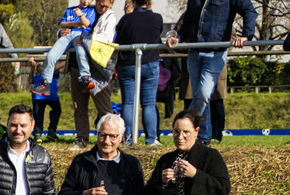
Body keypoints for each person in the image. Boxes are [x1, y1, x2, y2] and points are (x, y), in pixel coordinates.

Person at [167, 0, 255, 144]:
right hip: (194, 52)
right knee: (201, 98)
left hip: (215, 53)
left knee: (203, 94)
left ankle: (184, 124)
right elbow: (188, 19)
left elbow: (249, 10)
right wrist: (178, 37)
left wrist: (246, 35)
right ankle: (203, 138)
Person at [68, 0, 117, 150]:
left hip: (96, 70)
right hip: (77, 67)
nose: (102, 8)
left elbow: (106, 38)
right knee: (79, 106)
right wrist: (63, 32)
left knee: (104, 108)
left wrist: (84, 37)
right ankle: (81, 139)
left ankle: (111, 139)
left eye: (105, 6)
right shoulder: (79, 10)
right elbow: (64, 26)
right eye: (100, 4)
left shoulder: (110, 18)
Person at [115, 0, 163, 145]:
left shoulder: (125, 19)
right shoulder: (157, 18)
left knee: (128, 103)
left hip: (128, 64)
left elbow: (119, 37)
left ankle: (128, 137)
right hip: (150, 63)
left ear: (133, 2)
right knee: (148, 104)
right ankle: (151, 138)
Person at [32, 0, 96, 96]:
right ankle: (45, 83)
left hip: (80, 35)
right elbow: (62, 24)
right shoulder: (70, 10)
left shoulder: (91, 10)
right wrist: (75, 24)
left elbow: (86, 24)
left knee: (80, 53)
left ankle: (85, 78)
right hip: (67, 35)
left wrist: (80, 16)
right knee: (51, 56)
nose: (86, 1)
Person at [28, 55, 60, 142]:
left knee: (57, 111)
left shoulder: (52, 73)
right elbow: (30, 80)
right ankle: (38, 133)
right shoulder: (37, 76)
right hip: (39, 97)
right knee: (38, 115)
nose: (43, 64)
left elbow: (57, 66)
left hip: (51, 96)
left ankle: (52, 131)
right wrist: (32, 67)